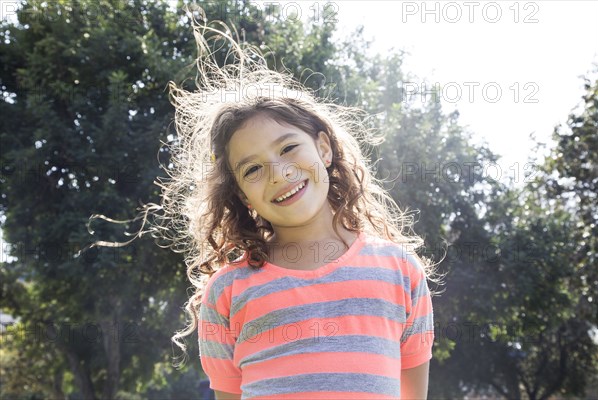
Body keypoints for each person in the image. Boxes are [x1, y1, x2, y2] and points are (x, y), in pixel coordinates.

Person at [121, 18, 438, 400]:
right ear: (239, 193)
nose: (279, 173)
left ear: (323, 148)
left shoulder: (400, 271)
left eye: (289, 148)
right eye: (253, 169)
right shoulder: (227, 292)